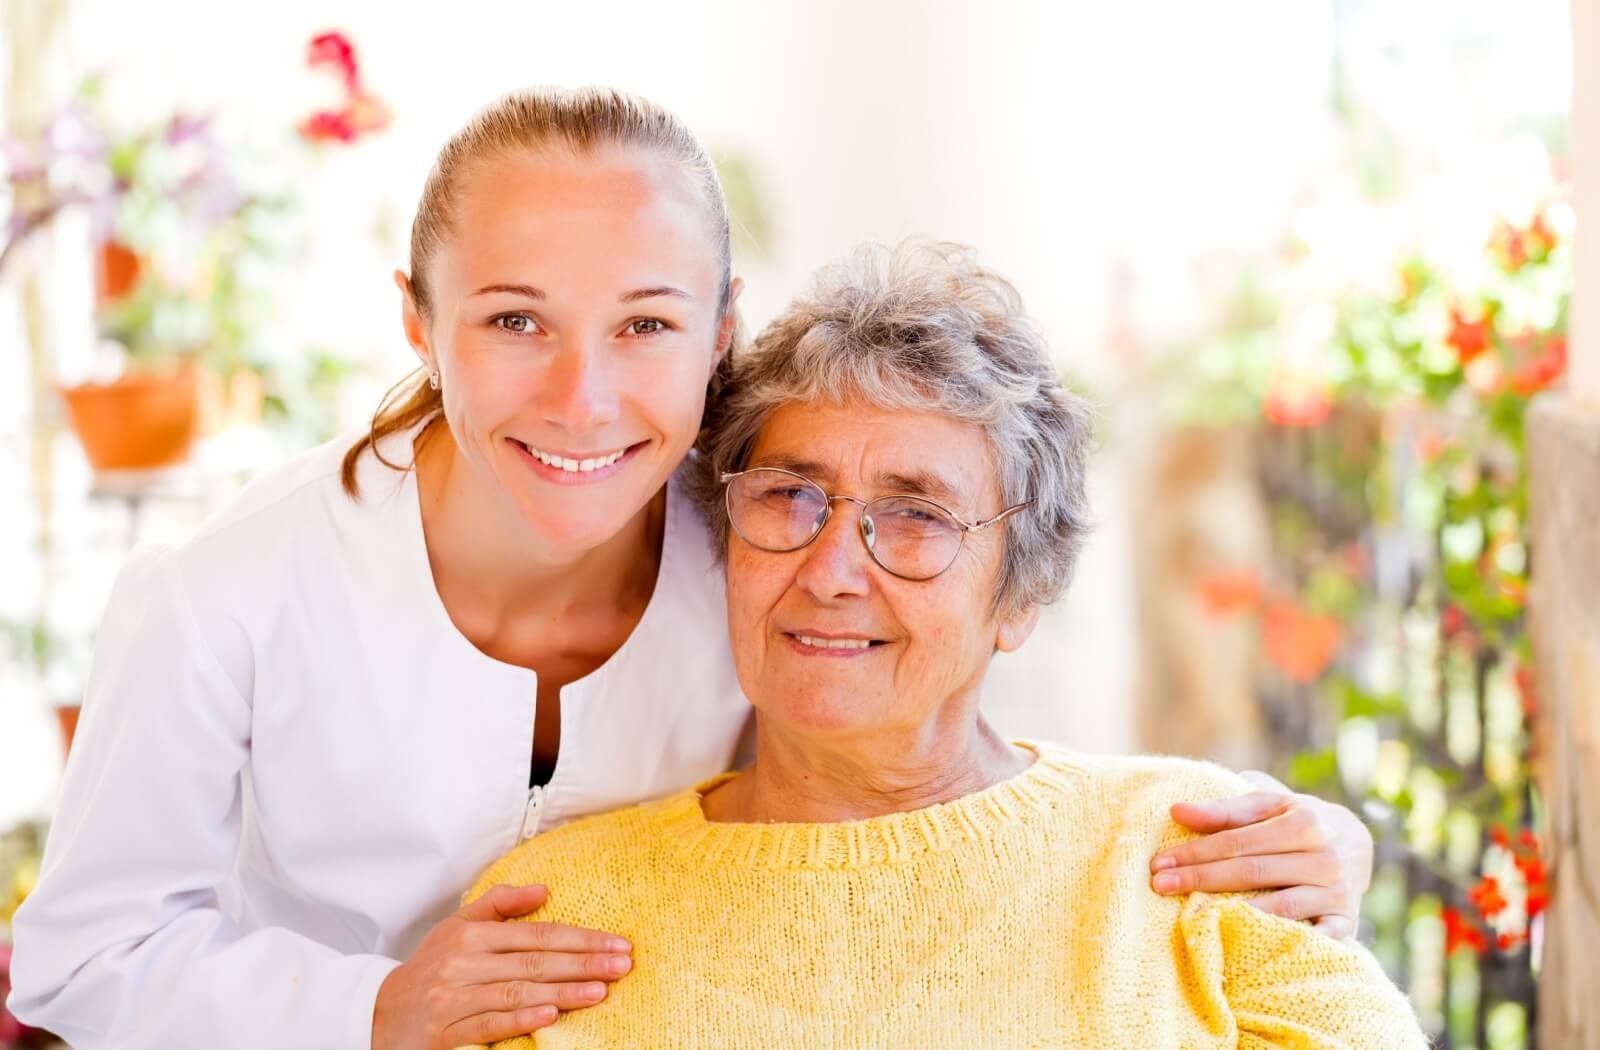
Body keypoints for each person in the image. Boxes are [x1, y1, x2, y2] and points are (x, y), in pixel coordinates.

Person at [11, 88, 1373, 1050]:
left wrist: (1313, 843)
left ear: (719, 330)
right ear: (418, 322)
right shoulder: (222, 596)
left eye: (647, 323)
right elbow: (82, 960)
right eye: (513, 318)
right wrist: (373, 1010)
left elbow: (939, 676)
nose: (585, 396)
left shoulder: (752, 527)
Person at [460, 239, 1428, 1049]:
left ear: (1021, 595)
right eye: (789, 496)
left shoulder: (1201, 860)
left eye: (917, 515)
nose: (832, 568)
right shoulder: (558, 915)